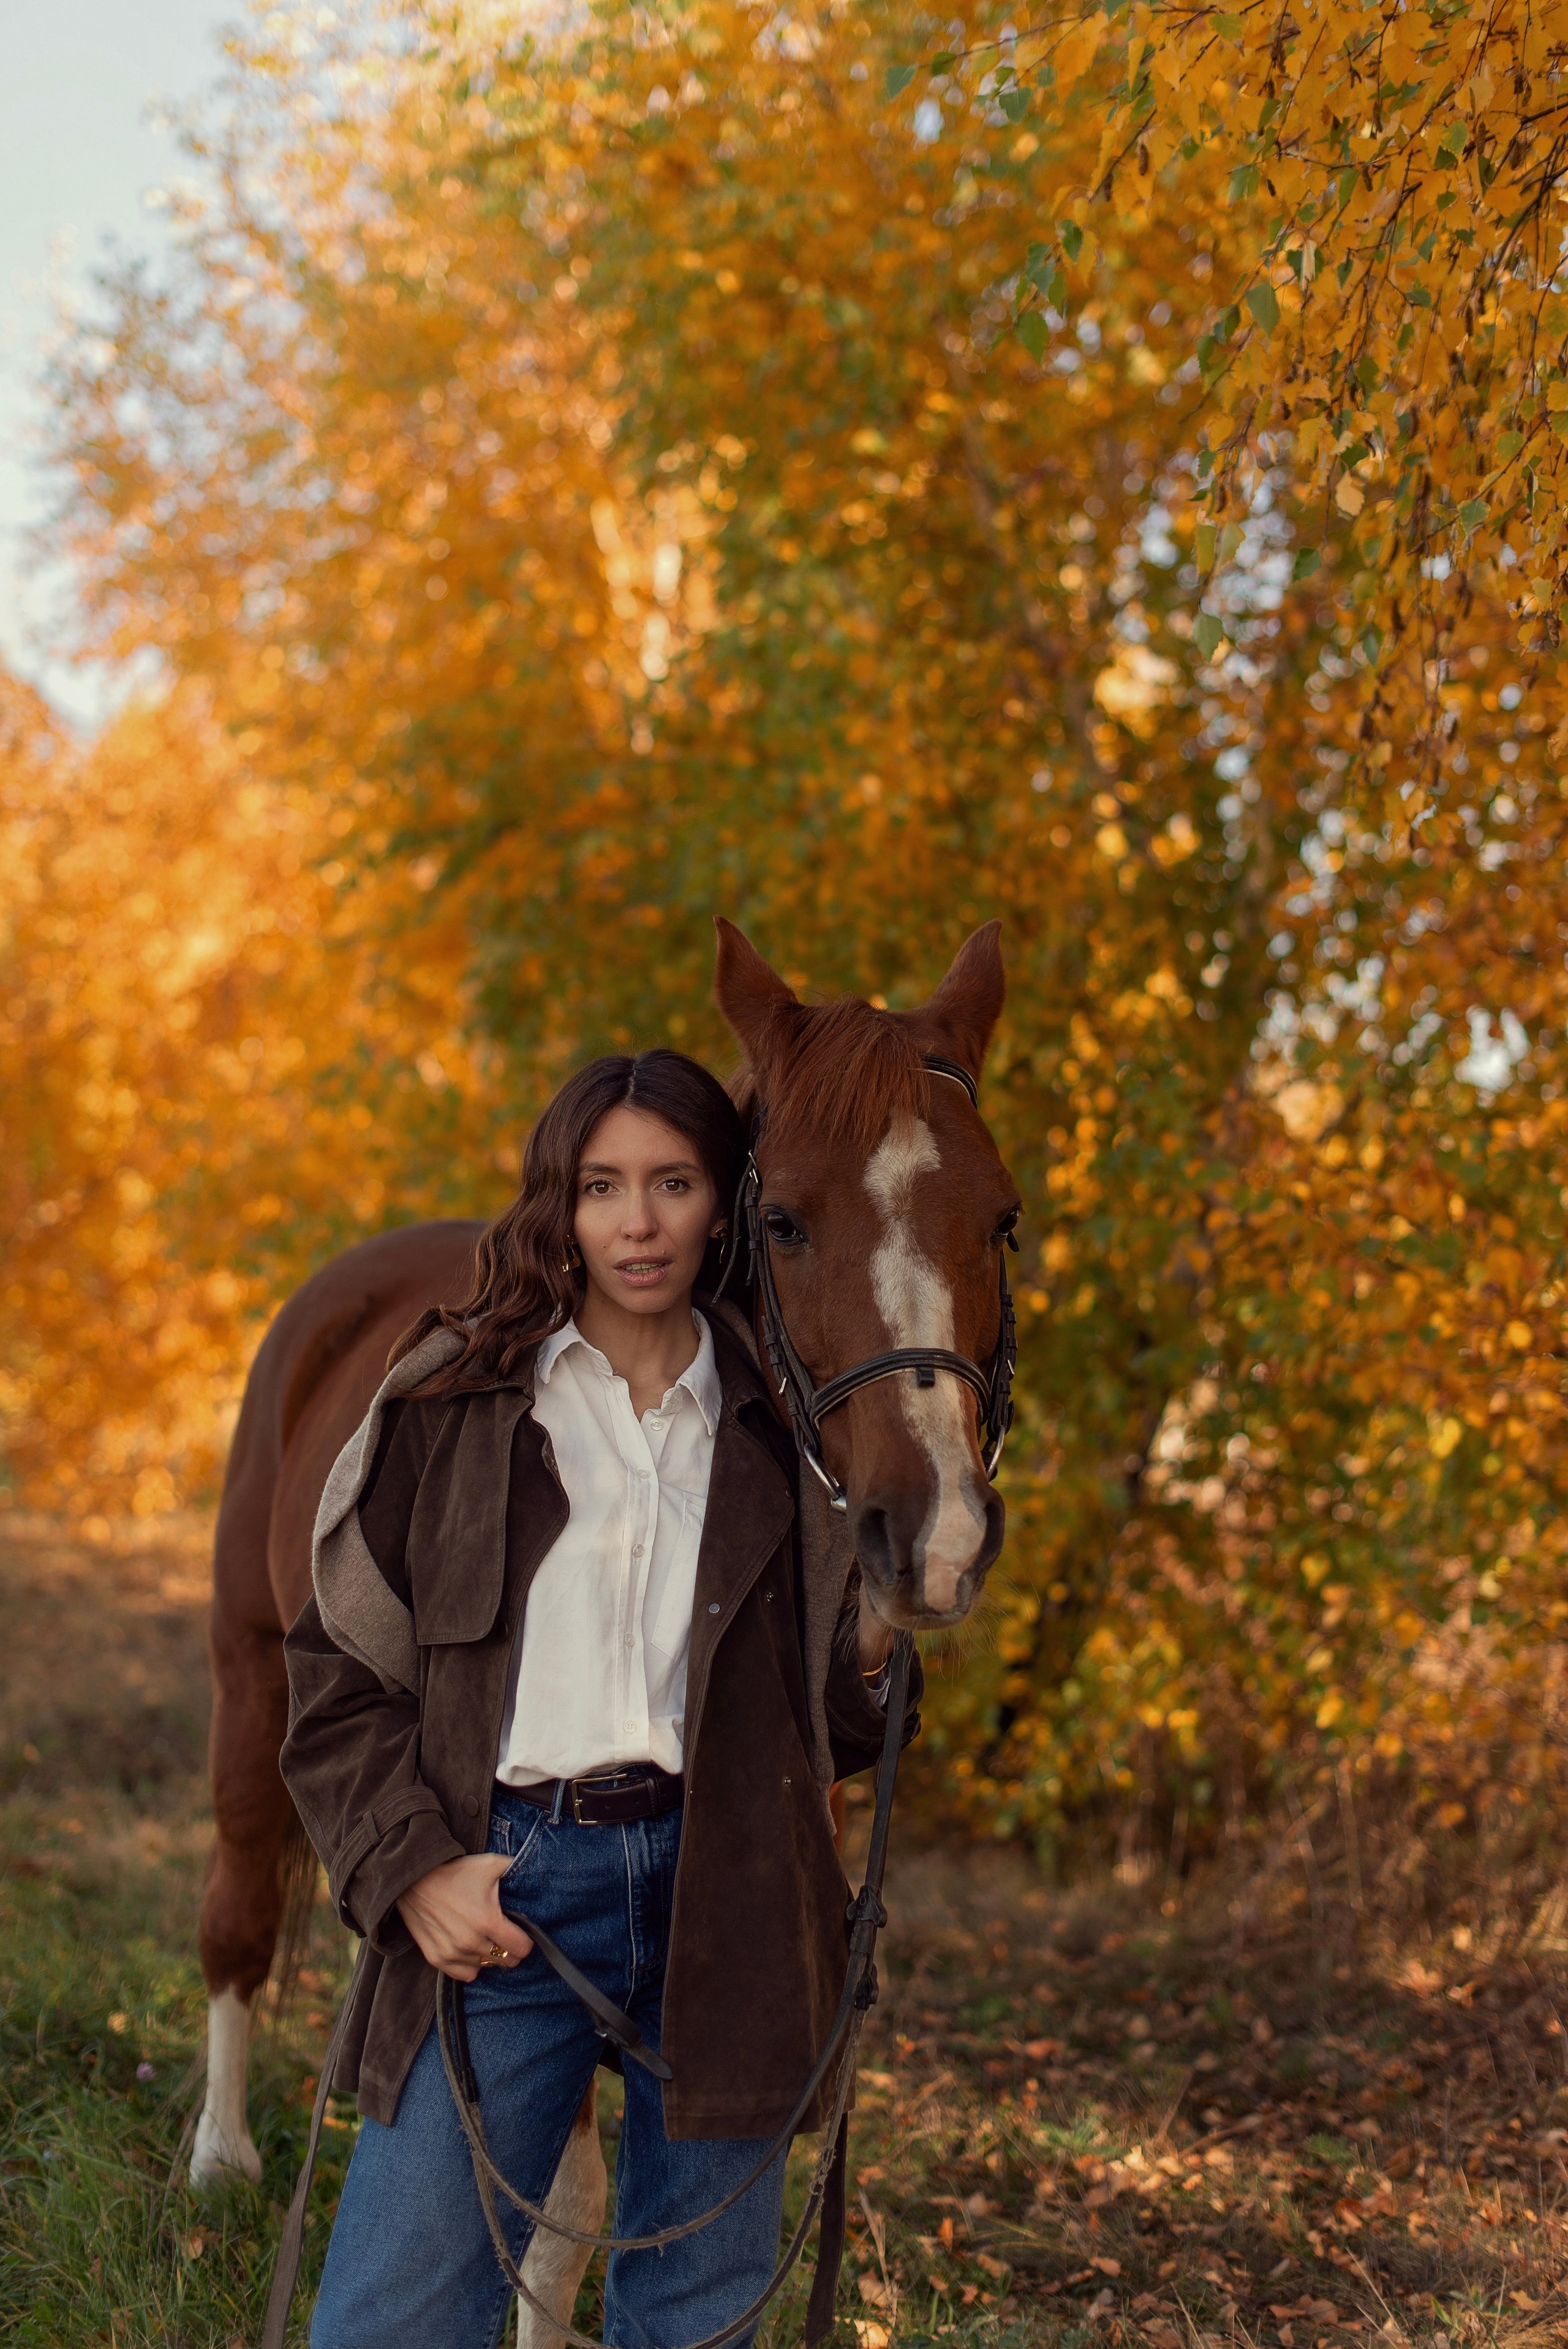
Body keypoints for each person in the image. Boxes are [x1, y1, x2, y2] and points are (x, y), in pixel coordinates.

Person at [281, 1048, 921, 2349]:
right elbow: (336, 1676)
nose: (639, 1223)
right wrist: (412, 1869)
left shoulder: (786, 1428)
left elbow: (832, 1726)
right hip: (507, 1895)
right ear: (560, 1206)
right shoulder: (456, 1398)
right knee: (390, 2319)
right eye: (602, 1186)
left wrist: (880, 1630)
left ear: (724, 1203)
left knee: (694, 2319)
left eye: (673, 1183)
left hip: (732, 1891)